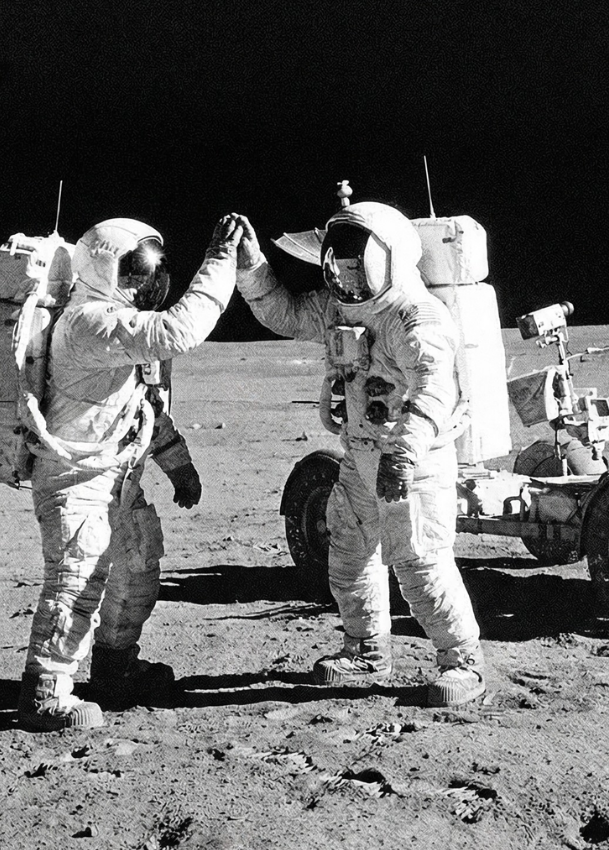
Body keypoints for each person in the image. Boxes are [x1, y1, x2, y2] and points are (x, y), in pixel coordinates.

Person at [234, 203, 486, 707]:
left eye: (357, 265)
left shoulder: (414, 316)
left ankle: (464, 663)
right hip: (360, 456)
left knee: (420, 565)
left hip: (413, 461)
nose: (345, 275)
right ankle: (366, 649)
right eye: (339, 264)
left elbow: (435, 389)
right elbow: (282, 313)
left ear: (389, 259)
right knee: (348, 555)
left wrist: (404, 451)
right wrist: (251, 265)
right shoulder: (339, 307)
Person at [18, 215, 239, 734]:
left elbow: (140, 409)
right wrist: (220, 260)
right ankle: (45, 687)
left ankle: (115, 666)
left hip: (115, 476)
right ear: (102, 268)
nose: (143, 284)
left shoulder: (114, 326)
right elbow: (179, 331)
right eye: (133, 271)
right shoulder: (88, 322)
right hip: (75, 480)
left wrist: (178, 465)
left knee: (138, 564)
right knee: (78, 577)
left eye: (148, 272)